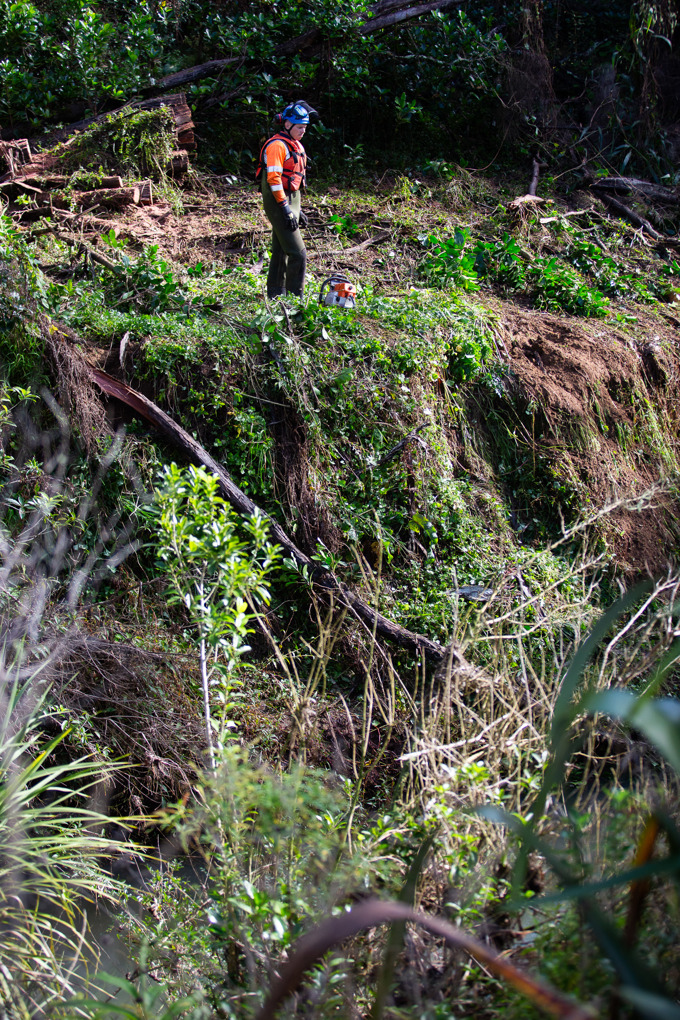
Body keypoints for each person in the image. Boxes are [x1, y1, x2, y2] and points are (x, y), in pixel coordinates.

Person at [257, 100, 318, 299]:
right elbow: (274, 180)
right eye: (299, 127)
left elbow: (294, 182)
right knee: (298, 253)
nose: (303, 131)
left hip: (291, 199)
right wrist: (285, 209)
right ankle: (295, 300)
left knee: (281, 250)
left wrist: (298, 210)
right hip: (278, 200)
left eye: (305, 127)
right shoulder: (277, 146)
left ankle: (275, 295)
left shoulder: (296, 144)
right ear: (287, 124)